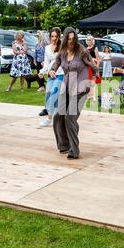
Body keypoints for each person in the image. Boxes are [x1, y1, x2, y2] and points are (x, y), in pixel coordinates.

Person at [49, 27, 98, 159]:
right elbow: (56, 63)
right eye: (69, 38)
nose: (71, 41)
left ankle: (74, 150)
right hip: (67, 87)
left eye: (73, 38)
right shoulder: (63, 51)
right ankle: (64, 145)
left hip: (80, 88)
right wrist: (52, 70)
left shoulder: (81, 50)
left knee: (70, 117)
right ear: (65, 38)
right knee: (58, 116)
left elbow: (94, 67)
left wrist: (92, 81)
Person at [38, 27, 63, 127]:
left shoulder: (62, 47)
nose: (54, 38)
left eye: (56, 36)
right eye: (52, 36)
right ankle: (57, 115)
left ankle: (49, 118)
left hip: (61, 73)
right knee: (48, 94)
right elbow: (47, 62)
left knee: (54, 94)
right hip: (51, 74)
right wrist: (42, 72)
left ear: (59, 36)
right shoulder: (47, 47)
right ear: (49, 37)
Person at [86, 36, 100, 101]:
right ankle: (89, 95)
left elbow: (98, 58)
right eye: (88, 40)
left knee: (93, 82)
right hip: (87, 66)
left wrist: (97, 67)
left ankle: (94, 96)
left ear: (93, 41)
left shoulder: (95, 48)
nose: (89, 41)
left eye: (90, 40)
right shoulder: (86, 48)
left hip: (93, 66)